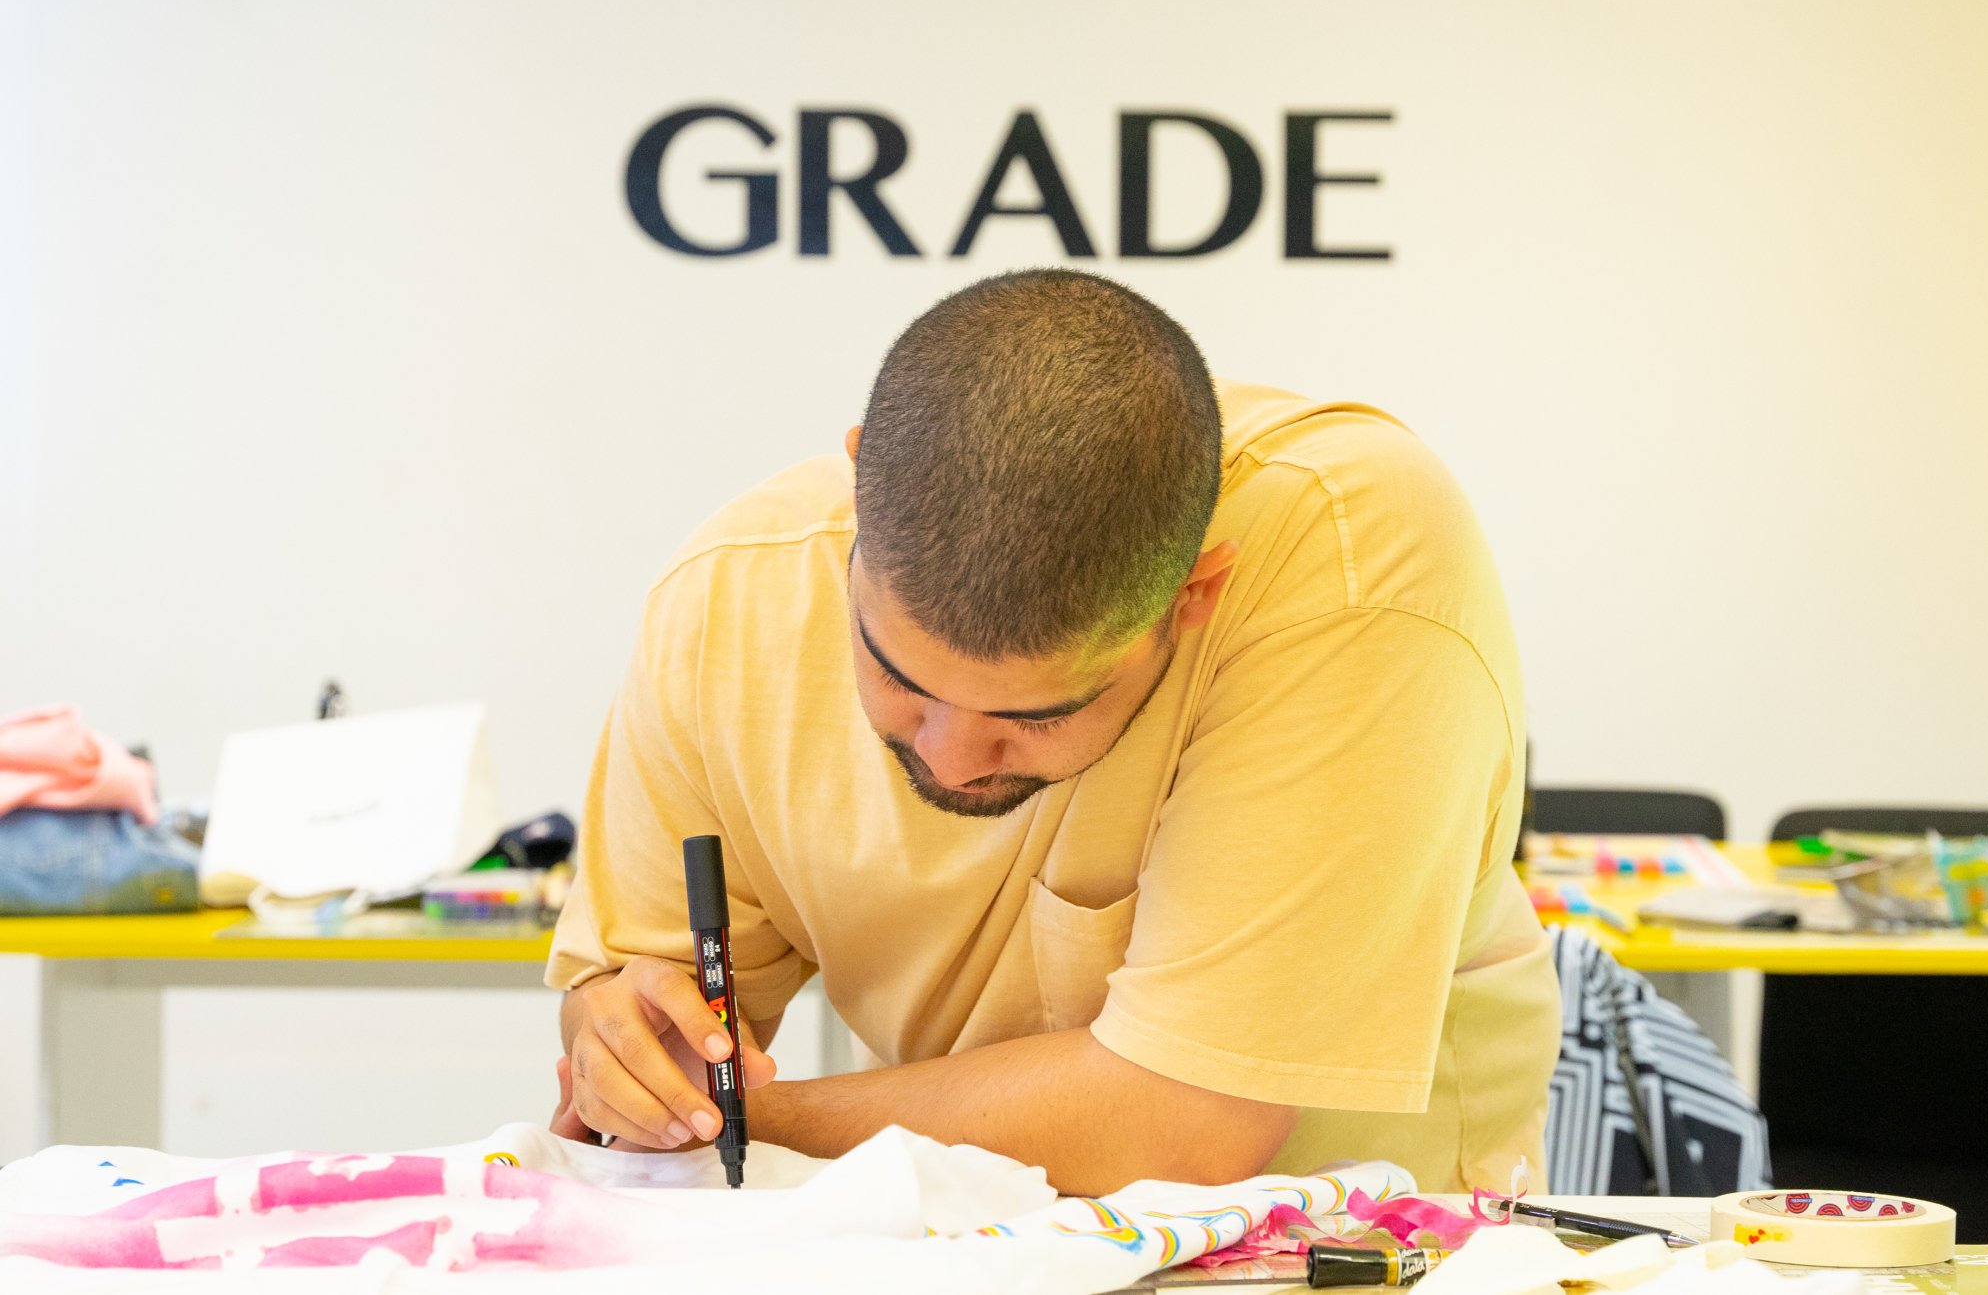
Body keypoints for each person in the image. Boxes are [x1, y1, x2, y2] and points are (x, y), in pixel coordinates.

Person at [546, 269, 1560, 1196]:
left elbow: (1182, 1125)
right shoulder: (727, 595)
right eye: (899, 676)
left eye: (1032, 715)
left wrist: (757, 1121)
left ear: (1194, 591)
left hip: (1348, 1242)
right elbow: (644, 996)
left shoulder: (1350, 560)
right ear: (858, 488)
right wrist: (625, 1048)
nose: (943, 755)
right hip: (962, 1236)